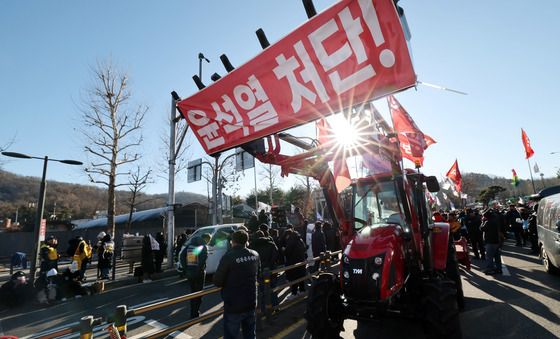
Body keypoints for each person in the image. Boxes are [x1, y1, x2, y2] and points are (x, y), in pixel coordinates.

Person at [214, 230, 260, 339]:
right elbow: (259, 273)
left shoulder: (228, 256)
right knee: (250, 334)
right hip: (251, 301)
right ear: (246, 241)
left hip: (233, 305)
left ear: (232, 241)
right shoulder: (255, 254)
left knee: (231, 335)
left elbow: (217, 281)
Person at [182, 233, 210, 318]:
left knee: (192, 292)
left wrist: (186, 268)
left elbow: (182, 256)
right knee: (198, 293)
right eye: (208, 240)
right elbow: (202, 261)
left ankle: (192, 312)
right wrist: (198, 270)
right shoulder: (203, 247)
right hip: (199, 274)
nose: (208, 242)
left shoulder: (189, 246)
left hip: (190, 272)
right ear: (205, 239)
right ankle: (195, 313)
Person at [251, 230, 279, 310]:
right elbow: (276, 255)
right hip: (271, 270)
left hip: (259, 271)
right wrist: (270, 264)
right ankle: (275, 306)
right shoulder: (271, 244)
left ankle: (263, 309)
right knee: (273, 288)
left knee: (261, 290)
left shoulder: (253, 245)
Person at [480, 209, 505, 275]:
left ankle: (490, 269)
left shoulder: (487, 222)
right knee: (497, 256)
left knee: (489, 256)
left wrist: (482, 222)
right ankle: (499, 269)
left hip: (490, 242)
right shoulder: (495, 221)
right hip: (496, 241)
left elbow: (481, 228)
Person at [284, 229, 307, 299]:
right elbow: (304, 248)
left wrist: (284, 250)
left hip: (293, 262)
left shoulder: (291, 241)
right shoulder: (300, 240)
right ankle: (302, 290)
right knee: (301, 277)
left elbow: (287, 252)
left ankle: (294, 293)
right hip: (301, 261)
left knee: (293, 279)